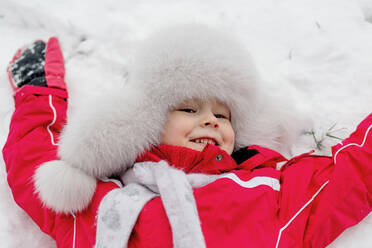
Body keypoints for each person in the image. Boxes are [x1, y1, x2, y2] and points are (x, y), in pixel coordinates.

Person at [2, 24, 372, 248]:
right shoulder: (99, 202)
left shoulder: (271, 194)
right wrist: (39, 91)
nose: (211, 121)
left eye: (223, 115)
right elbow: (33, 160)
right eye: (189, 109)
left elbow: (353, 173)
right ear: (146, 122)